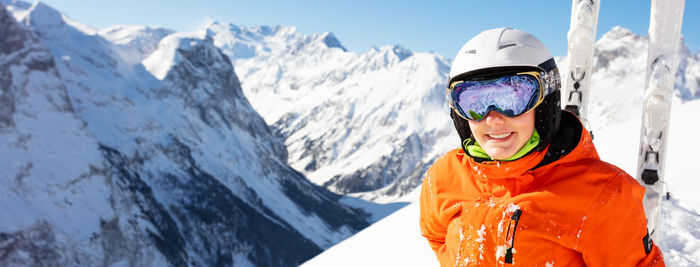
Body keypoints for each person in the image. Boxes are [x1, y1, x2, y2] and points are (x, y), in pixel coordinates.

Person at [419, 28, 664, 266]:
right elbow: (436, 236)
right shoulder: (443, 177)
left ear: (545, 103)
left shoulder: (604, 196)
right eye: (474, 101)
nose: (492, 118)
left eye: (512, 98)